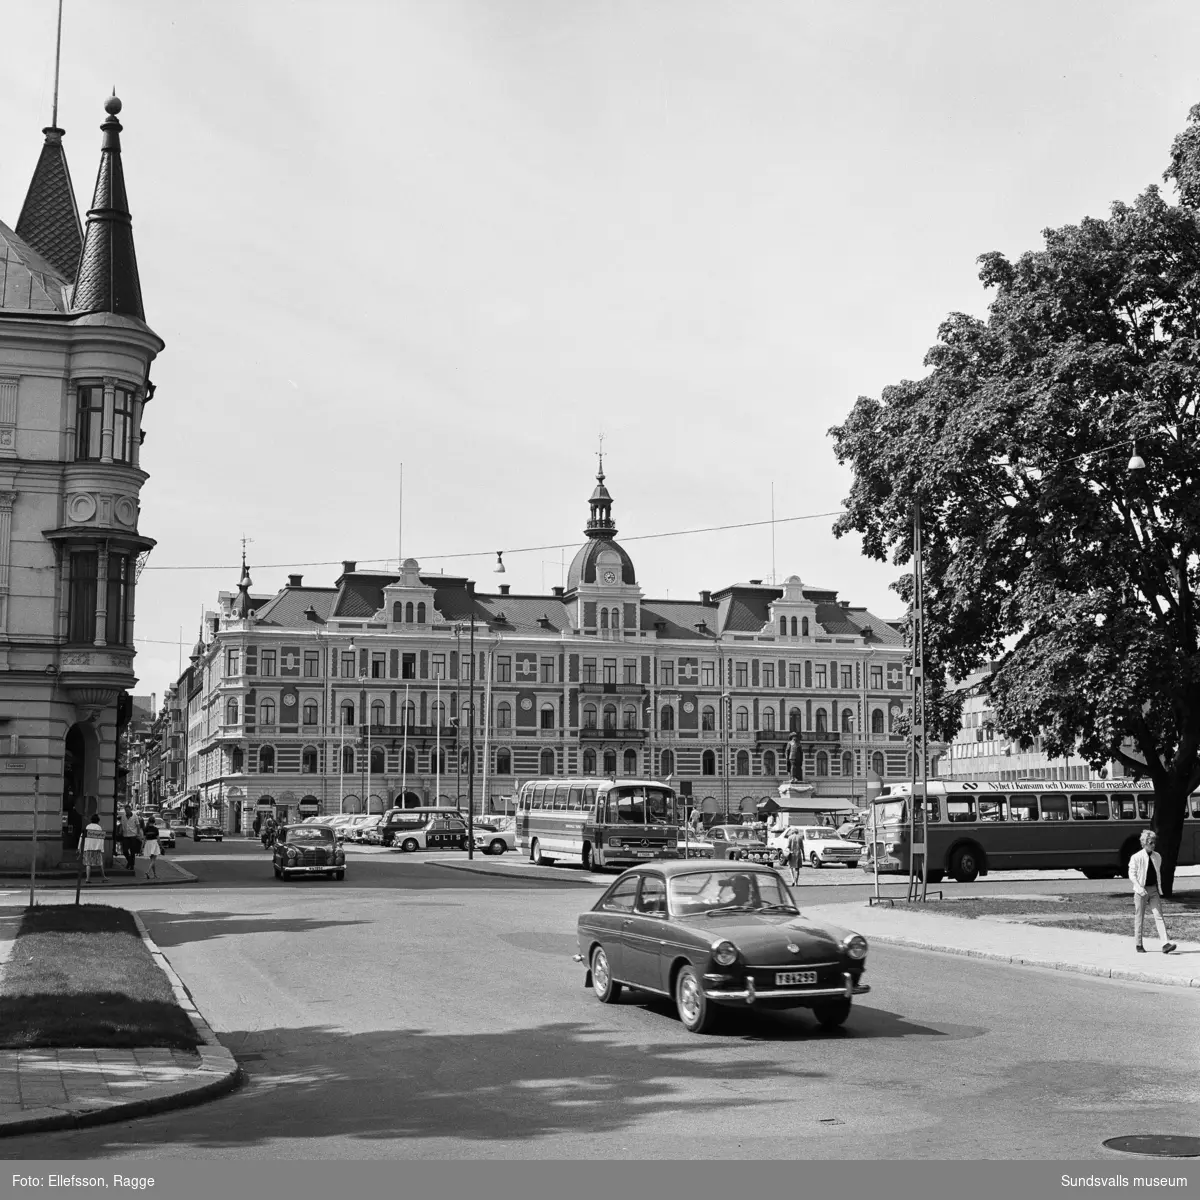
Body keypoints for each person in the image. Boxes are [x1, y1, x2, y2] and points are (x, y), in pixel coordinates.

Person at [1129, 830, 1176, 954]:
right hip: (1141, 891)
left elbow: (1157, 873)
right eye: (1150, 842)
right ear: (1144, 843)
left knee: (1159, 915)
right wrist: (1139, 888)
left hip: (1153, 890)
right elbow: (1132, 875)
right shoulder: (1136, 857)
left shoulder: (1157, 856)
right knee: (1139, 918)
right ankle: (1139, 944)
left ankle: (1165, 944)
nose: (1153, 845)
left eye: (1154, 842)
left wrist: (1158, 888)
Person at [81, 813, 107, 884]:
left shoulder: (88, 826)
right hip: (96, 848)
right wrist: (102, 849)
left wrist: (81, 847)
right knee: (100, 863)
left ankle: (87, 879)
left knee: (88, 863)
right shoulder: (99, 828)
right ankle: (103, 877)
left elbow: (83, 837)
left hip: (88, 847)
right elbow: (101, 840)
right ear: (98, 821)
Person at [118, 803, 144, 870]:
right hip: (125, 836)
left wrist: (138, 834)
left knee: (132, 852)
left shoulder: (135, 816)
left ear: (130, 810)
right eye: (125, 810)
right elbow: (121, 825)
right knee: (125, 851)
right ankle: (130, 862)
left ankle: (131, 865)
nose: (127, 811)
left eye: (128, 810)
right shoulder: (123, 816)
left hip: (133, 836)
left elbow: (138, 825)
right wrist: (120, 831)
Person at [142, 816, 161, 881]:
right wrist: (161, 846)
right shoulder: (155, 829)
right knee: (153, 860)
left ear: (149, 821)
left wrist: (142, 847)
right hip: (154, 843)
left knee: (152, 861)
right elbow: (158, 839)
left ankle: (155, 874)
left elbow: (144, 839)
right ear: (154, 822)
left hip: (148, 844)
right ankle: (147, 871)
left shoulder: (146, 829)